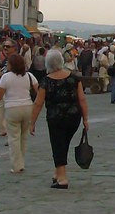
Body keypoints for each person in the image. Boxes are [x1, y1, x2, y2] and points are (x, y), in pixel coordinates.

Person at [31, 49, 88, 189]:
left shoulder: (46, 81)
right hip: (74, 117)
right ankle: (57, 172)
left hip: (55, 117)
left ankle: (62, 178)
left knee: (58, 145)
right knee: (64, 143)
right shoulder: (74, 78)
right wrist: (85, 119)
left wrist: (32, 122)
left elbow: (38, 103)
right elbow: (82, 99)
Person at [0, 53, 37, 173]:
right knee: (23, 137)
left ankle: (16, 165)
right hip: (27, 107)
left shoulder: (6, 77)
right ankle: (21, 162)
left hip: (12, 108)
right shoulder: (29, 76)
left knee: (13, 138)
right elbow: (38, 89)